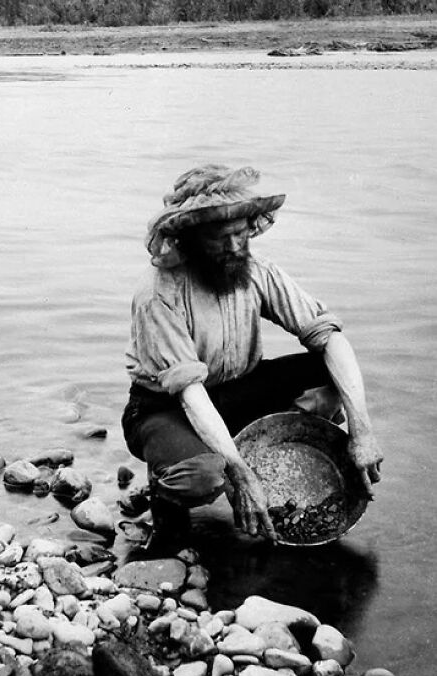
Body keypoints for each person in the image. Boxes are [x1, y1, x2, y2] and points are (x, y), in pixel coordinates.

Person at [122, 164, 382, 550]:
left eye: (239, 234)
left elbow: (331, 338)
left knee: (330, 371)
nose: (232, 247)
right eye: (218, 238)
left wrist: (361, 433)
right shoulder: (159, 293)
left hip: (238, 390)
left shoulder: (256, 271)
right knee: (207, 477)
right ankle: (167, 495)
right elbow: (190, 393)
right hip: (166, 407)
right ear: (190, 239)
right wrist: (239, 474)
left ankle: (267, 452)